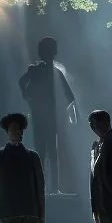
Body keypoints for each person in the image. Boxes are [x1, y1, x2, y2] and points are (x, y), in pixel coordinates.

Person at [17, 37, 76, 191]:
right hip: (49, 117)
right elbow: (70, 97)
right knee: (48, 151)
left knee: (43, 151)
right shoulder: (50, 71)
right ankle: (49, 187)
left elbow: (22, 83)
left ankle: (45, 187)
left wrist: (29, 98)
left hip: (44, 117)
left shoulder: (38, 70)